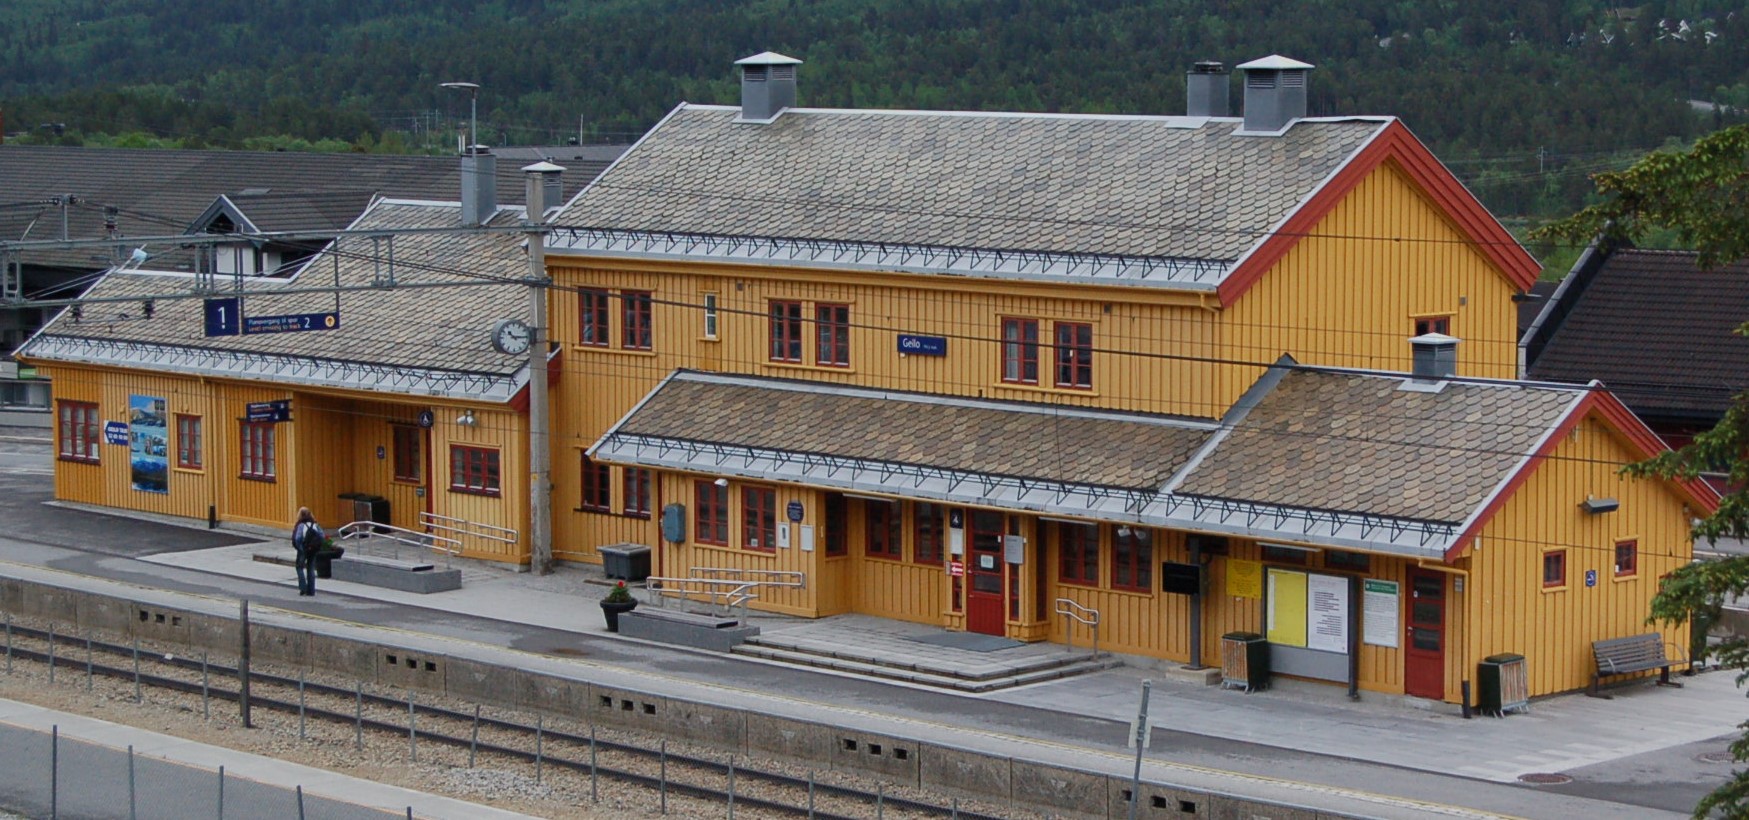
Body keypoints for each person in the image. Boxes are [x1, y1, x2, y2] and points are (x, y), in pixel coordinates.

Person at [291, 506, 323, 596]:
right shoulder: (315, 525)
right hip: (313, 550)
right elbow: (322, 536)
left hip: (303, 549)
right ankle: (311, 590)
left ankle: (303, 588)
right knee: (311, 568)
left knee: (299, 567)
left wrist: (300, 548)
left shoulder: (301, 525)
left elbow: (297, 538)